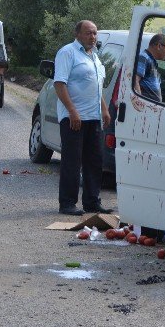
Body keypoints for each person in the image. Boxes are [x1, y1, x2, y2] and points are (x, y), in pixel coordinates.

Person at [53, 20, 113, 216]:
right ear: (77, 34)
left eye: (95, 33)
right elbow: (59, 84)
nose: (93, 37)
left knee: (95, 160)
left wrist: (104, 109)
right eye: (88, 33)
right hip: (74, 118)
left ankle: (92, 202)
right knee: (72, 161)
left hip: (93, 117)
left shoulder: (94, 57)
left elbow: (97, 88)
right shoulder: (67, 52)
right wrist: (72, 110)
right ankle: (67, 203)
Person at [134, 33, 165, 101]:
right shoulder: (144, 57)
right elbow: (135, 80)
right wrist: (139, 102)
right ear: (159, 46)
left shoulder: (152, 60)